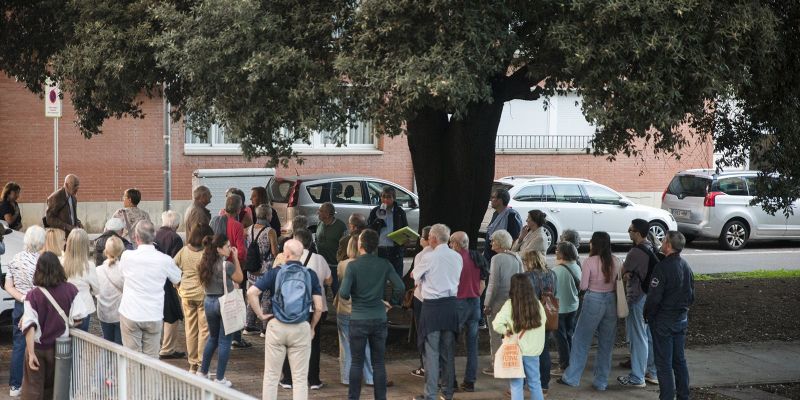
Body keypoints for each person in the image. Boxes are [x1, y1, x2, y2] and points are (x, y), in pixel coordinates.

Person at [247, 239, 324, 400]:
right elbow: (318, 307)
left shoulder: (275, 272)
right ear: (301, 254)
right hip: (301, 327)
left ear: (285, 254)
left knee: (271, 376)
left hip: (277, 326)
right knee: (300, 378)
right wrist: (312, 327)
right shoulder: (310, 275)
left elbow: (251, 293)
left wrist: (261, 315)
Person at [338, 229, 404, 400]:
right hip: (379, 317)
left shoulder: (353, 266)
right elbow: (400, 287)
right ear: (376, 245)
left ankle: (353, 398)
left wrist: (356, 292)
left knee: (356, 362)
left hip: (358, 318)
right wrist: (393, 302)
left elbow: (344, 294)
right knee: (379, 363)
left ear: (360, 244)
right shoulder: (384, 264)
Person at [557, 231, 621, 391]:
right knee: (606, 343)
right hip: (612, 301)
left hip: (593, 300)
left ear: (595, 244)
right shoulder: (616, 260)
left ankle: (572, 377)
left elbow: (584, 286)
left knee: (581, 340)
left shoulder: (590, 262)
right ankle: (601, 381)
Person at [19, 252, 87, 400]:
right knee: (57, 389)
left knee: (33, 389)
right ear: (58, 268)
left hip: (37, 347)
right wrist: (66, 323)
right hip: (60, 349)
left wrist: (31, 354)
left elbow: (30, 326)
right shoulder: (71, 290)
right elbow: (79, 317)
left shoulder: (33, 295)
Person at [118, 221, 182, 358]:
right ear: (154, 236)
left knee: (132, 358)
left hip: (131, 312)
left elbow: (121, 275)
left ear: (136, 237)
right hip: (153, 314)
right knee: (151, 361)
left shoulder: (127, 256)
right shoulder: (165, 260)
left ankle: (133, 380)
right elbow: (177, 278)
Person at [412, 224, 462, 400]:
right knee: (448, 351)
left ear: (432, 238)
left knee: (431, 353)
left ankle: (430, 394)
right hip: (450, 306)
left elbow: (414, 276)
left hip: (432, 307)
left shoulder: (429, 257)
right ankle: (448, 392)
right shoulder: (457, 257)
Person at [279, 229, 331, 390]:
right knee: (314, 343)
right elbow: (329, 280)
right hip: (315, 307)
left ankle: (288, 378)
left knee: (290, 342)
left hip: (293, 307)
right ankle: (314, 379)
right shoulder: (319, 259)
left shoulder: (288, 258)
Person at [645, 231, 695, 400]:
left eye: (664, 240)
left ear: (668, 244)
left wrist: (648, 315)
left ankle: (666, 396)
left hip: (664, 321)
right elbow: (691, 296)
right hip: (681, 319)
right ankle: (683, 395)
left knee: (664, 363)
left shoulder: (662, 267)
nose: (662, 242)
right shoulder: (686, 266)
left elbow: (654, 298)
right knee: (679, 361)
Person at [196, 233, 244, 387]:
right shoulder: (226, 265)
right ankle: (220, 378)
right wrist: (236, 258)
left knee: (213, 338)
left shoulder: (205, 263)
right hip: (224, 303)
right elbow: (239, 278)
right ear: (219, 249)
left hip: (208, 301)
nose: (230, 249)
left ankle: (202, 372)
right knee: (225, 341)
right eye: (228, 246)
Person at [617, 219, 659, 388]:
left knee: (638, 337)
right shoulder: (652, 247)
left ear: (637, 233)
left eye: (631, 229)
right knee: (648, 336)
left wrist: (626, 274)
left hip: (638, 297)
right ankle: (652, 372)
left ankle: (637, 377)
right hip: (650, 297)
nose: (628, 231)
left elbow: (621, 272)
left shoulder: (635, 252)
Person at [492, 274, 547, 400]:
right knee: (535, 383)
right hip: (533, 350)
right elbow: (543, 321)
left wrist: (506, 330)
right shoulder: (537, 304)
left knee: (516, 385)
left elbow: (496, 324)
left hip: (515, 350)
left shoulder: (509, 305)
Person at [4, 225, 45, 398]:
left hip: (20, 306)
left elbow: (7, 285)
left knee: (19, 344)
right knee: (39, 344)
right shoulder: (42, 262)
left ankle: (15, 385)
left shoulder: (15, 259)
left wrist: (22, 298)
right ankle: (35, 384)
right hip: (39, 306)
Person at [448, 231, 487, 392]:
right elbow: (483, 282)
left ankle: (451, 381)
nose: (450, 246)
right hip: (475, 302)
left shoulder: (454, 260)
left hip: (459, 303)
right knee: (472, 345)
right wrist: (476, 294)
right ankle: (470, 381)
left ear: (457, 244)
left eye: (451, 243)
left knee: (449, 344)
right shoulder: (477, 257)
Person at [482, 229, 523, 377]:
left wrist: (487, 303)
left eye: (493, 240)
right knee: (511, 335)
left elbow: (493, 284)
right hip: (513, 301)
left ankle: (496, 364)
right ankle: (510, 363)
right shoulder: (516, 257)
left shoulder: (497, 259)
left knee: (495, 335)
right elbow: (522, 279)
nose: (491, 243)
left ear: (499, 242)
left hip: (498, 302)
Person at [335, 237, 376, 387]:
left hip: (344, 309)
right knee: (365, 345)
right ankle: (371, 377)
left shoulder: (341, 265)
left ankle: (347, 377)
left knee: (345, 345)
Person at [174, 223, 214, 374]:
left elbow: (172, 266)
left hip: (186, 294)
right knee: (204, 330)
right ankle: (202, 364)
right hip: (203, 294)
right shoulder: (206, 253)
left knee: (190, 329)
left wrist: (177, 284)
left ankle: (192, 365)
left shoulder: (184, 251)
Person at [211, 193, 250, 349]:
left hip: (213, 267)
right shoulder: (237, 226)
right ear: (239, 209)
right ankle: (235, 337)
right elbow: (241, 251)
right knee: (235, 303)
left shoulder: (214, 221)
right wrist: (239, 262)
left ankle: (216, 336)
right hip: (230, 268)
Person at [522, 250, 557, 394]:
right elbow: (555, 293)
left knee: (526, 351)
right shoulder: (552, 274)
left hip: (531, 316)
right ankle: (544, 385)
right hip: (547, 316)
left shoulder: (527, 276)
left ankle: (524, 382)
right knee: (544, 351)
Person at [243, 205, 279, 336]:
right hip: (266, 270)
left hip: (252, 269)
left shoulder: (247, 229)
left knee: (252, 296)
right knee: (266, 298)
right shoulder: (270, 231)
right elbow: (275, 252)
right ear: (268, 216)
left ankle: (248, 325)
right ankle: (265, 328)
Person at [155, 210, 186, 361]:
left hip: (155, 280)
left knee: (159, 313)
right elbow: (176, 263)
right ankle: (167, 348)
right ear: (177, 224)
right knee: (172, 315)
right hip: (169, 282)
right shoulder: (175, 238)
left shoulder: (155, 235)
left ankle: (159, 345)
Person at [550, 241, 581, 375]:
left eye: (557, 250)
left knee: (560, 338)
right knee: (569, 334)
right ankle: (571, 360)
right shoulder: (576, 267)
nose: (556, 251)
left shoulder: (556, 271)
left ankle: (564, 365)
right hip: (573, 306)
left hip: (560, 309)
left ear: (563, 253)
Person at [61, 228, 99, 332]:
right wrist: (88, 291)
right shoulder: (89, 265)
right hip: (84, 307)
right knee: (80, 341)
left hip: (64, 306)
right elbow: (97, 290)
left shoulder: (60, 262)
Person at [367, 186, 409, 278]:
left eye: (389, 197)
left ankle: (397, 292)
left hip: (395, 250)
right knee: (379, 278)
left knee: (397, 278)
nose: (385, 199)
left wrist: (405, 240)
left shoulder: (399, 212)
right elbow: (369, 230)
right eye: (383, 196)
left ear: (393, 198)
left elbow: (405, 229)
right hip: (380, 249)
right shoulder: (375, 211)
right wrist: (379, 219)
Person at [409, 226, 432, 378]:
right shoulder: (447, 254)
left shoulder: (421, 255)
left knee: (422, 332)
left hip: (421, 298)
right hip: (439, 300)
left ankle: (424, 366)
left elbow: (416, 278)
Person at [96, 236, 125, 345]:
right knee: (119, 347)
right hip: (120, 313)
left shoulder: (98, 270)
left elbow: (95, 291)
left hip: (104, 313)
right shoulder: (123, 269)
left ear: (106, 251)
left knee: (107, 343)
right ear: (121, 251)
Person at [315, 202, 347, 296]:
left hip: (334, 263)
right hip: (322, 263)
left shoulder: (340, 226)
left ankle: (339, 307)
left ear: (328, 214)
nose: (318, 213)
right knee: (321, 288)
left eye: (321, 211)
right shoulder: (320, 223)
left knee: (335, 288)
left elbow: (345, 244)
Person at [483, 188, 523, 262]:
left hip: (501, 259)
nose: (491, 200)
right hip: (489, 257)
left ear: (500, 200)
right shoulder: (495, 213)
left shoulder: (511, 216)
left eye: (493, 197)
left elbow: (514, 239)